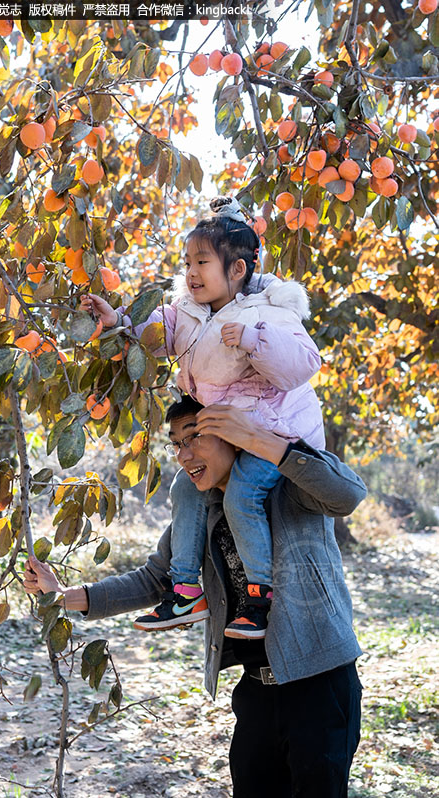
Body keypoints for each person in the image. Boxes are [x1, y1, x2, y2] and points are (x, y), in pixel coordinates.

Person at [23, 399, 366, 798]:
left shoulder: (290, 489)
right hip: (255, 691)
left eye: (195, 438)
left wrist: (264, 441)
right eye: (176, 444)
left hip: (320, 684)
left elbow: (348, 494)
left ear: (231, 435)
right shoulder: (200, 513)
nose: (184, 456)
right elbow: (154, 579)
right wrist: (64, 596)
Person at [81, 196, 325, 639]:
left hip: (276, 432)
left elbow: (304, 364)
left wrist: (254, 340)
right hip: (231, 433)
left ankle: (259, 596)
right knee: (184, 487)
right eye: (187, 262)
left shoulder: (269, 310)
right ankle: (185, 589)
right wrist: (119, 320)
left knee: (241, 497)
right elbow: (159, 332)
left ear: (237, 270)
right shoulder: (190, 314)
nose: (191, 272)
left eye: (202, 262)